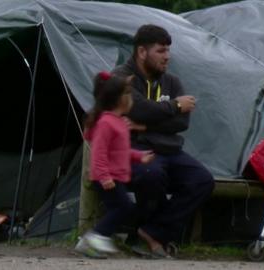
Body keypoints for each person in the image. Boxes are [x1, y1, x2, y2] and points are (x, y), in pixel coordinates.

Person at [112, 24, 214, 257]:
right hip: (132, 149)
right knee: (152, 174)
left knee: (202, 180)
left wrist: (144, 124)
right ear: (141, 52)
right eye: (161, 50)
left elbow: (182, 124)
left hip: (169, 150)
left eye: (168, 50)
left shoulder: (172, 82)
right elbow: (137, 107)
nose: (167, 56)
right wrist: (175, 105)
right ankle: (146, 237)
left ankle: (150, 232)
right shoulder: (120, 77)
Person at [75, 71, 155, 258]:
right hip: (107, 177)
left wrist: (138, 156)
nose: (132, 99)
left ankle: (91, 241)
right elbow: (99, 152)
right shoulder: (106, 123)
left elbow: (119, 151)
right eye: (128, 94)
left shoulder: (118, 122)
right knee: (124, 208)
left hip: (116, 176)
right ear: (119, 99)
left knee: (122, 208)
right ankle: (95, 237)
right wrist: (104, 176)